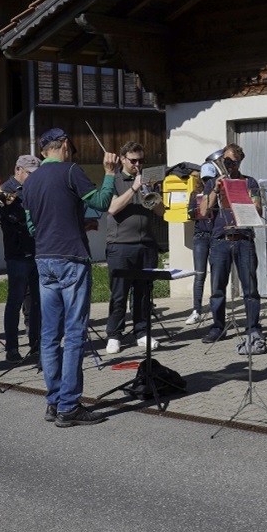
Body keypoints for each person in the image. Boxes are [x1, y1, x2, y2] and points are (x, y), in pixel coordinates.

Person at [21, 129, 117, 427]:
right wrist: (110, 173)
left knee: (49, 336)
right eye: (70, 147)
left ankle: (54, 401)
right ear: (64, 145)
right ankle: (69, 406)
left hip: (44, 259)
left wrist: (72, 222)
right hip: (72, 258)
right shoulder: (71, 171)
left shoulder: (31, 179)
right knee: (74, 334)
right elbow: (102, 202)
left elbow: (32, 227)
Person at [200, 144, 264, 351]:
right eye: (225, 162)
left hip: (243, 239)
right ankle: (218, 326)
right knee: (217, 288)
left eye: (232, 162)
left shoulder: (249, 182)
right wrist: (216, 190)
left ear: (239, 162)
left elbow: (258, 209)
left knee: (250, 289)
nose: (228, 165)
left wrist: (241, 195)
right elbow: (203, 210)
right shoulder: (212, 183)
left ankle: (253, 327)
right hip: (220, 240)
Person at [105, 141, 165, 354]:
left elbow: (160, 212)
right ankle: (114, 334)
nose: (138, 164)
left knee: (143, 293)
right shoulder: (114, 180)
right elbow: (112, 208)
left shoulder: (148, 180)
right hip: (120, 245)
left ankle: (141, 332)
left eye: (141, 160)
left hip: (146, 244)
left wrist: (151, 191)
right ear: (122, 159)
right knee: (119, 293)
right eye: (133, 160)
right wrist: (134, 188)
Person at [0, 154, 41, 363]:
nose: (33, 178)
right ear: (18, 170)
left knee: (35, 302)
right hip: (17, 253)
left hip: (35, 250)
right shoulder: (6, 189)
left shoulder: (33, 187)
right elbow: (13, 218)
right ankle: (12, 349)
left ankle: (35, 345)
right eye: (29, 174)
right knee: (15, 301)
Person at [184, 159, 215, 325]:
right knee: (199, 274)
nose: (207, 183)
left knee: (217, 273)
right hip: (200, 236)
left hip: (215, 235)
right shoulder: (194, 194)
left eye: (210, 179)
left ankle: (217, 308)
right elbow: (189, 214)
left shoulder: (217, 193)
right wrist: (197, 207)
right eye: (205, 180)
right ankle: (196, 310)